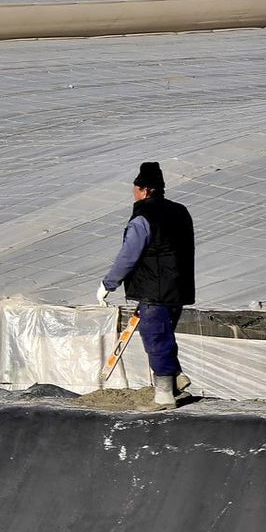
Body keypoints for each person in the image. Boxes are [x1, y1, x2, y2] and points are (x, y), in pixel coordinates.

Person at [98, 161, 195, 408]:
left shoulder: (143, 217)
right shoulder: (180, 211)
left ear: (143, 190)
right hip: (179, 287)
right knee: (165, 335)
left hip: (154, 289)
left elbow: (129, 254)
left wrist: (109, 283)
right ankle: (176, 378)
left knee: (155, 337)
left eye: (135, 189)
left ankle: (164, 396)